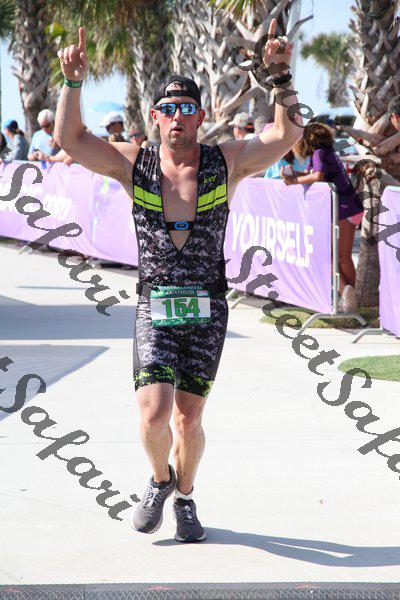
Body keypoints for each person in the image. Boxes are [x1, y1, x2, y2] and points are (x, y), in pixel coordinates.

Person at [54, 22, 302, 543]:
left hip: (208, 310)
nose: (177, 117)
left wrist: (280, 76)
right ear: (155, 116)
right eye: (168, 109)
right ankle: (159, 480)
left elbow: (286, 136)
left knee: (188, 420)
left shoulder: (225, 162)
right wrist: (72, 83)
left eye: (187, 108)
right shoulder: (135, 165)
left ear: (200, 116)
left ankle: (185, 499)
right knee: (153, 414)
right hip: (155, 306)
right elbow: (71, 139)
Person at [281, 122, 364, 313]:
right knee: (339, 257)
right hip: (349, 208)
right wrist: (294, 174)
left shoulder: (319, 154)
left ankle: (348, 295)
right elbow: (312, 174)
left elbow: (317, 176)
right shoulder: (325, 153)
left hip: (345, 209)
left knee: (336, 256)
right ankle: (348, 296)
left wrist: (294, 181)